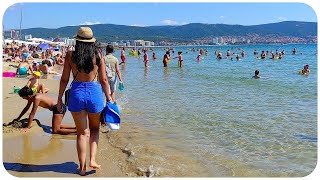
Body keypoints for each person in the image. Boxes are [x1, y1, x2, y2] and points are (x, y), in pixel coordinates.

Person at [56, 27, 113, 176]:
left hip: (76, 93)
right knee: (94, 129)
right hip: (94, 94)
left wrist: (59, 99)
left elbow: (64, 79)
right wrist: (110, 98)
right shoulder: (98, 55)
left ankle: (81, 168)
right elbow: (104, 80)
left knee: (81, 133)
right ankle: (92, 160)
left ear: (78, 40)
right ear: (92, 41)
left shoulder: (70, 55)